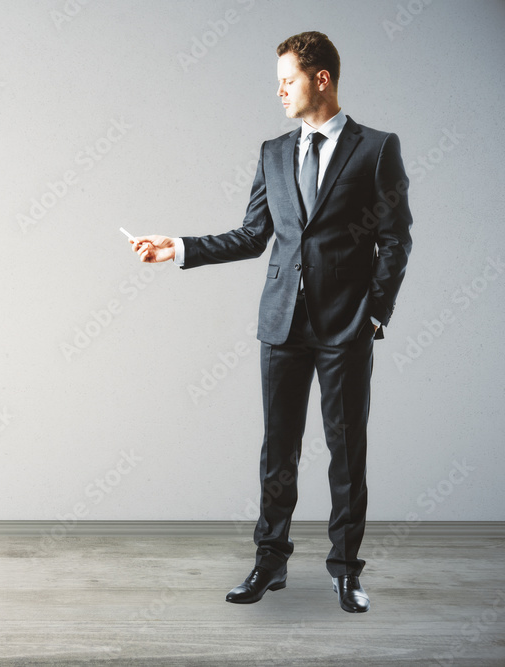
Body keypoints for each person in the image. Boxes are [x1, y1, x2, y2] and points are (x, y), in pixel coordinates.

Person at [129, 31, 412, 613]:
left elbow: (396, 240)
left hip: (346, 325)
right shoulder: (272, 151)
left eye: (288, 79)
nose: (279, 90)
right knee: (278, 450)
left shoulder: (377, 149)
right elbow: (253, 236)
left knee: (345, 449)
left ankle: (345, 572)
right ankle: (269, 562)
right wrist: (177, 247)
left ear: (322, 79)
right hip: (281, 323)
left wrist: (375, 316)